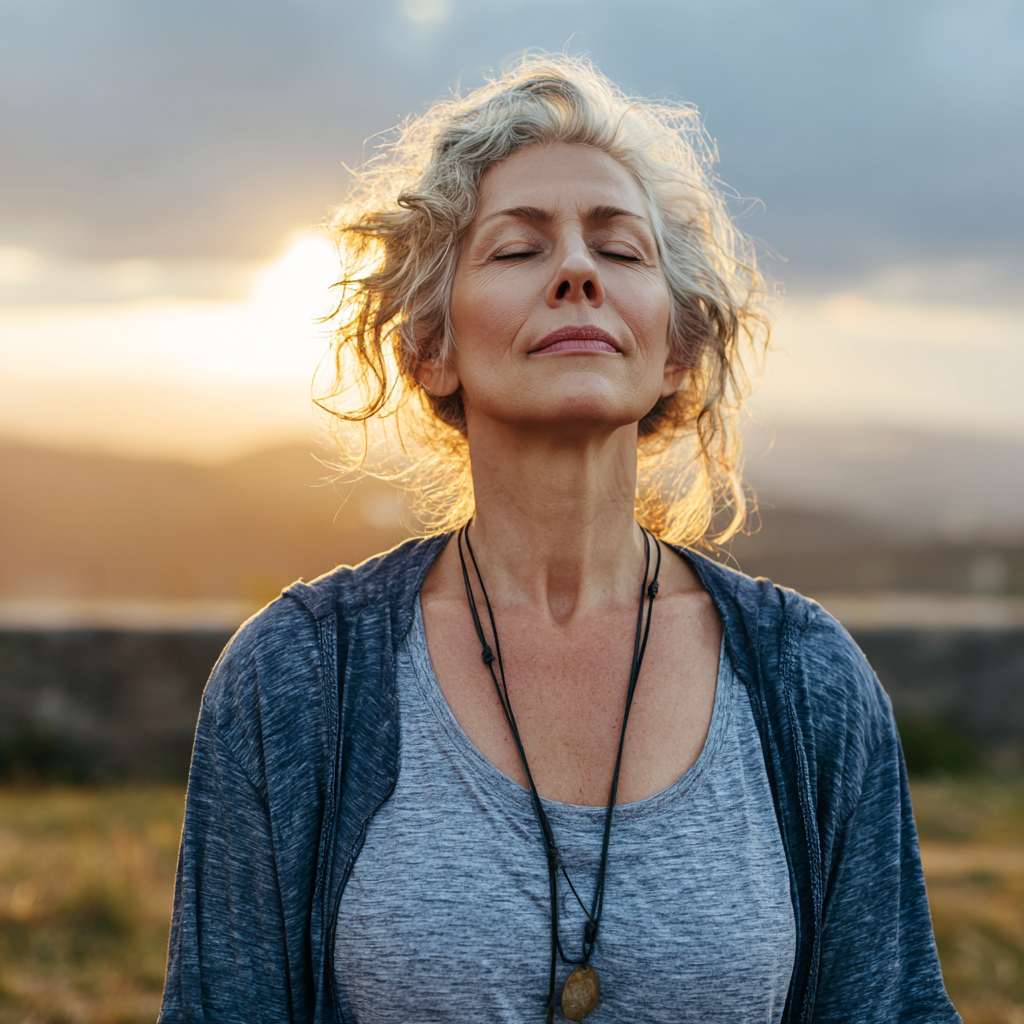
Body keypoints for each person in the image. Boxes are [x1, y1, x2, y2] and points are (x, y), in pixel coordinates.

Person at [160, 56, 959, 1024]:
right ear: (429, 346)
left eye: (620, 252)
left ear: (675, 350)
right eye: (516, 249)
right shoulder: (301, 673)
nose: (578, 270)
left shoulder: (803, 679)